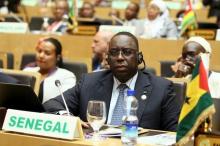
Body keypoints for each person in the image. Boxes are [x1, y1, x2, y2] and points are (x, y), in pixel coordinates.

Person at [43, 32, 180, 131]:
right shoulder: (89, 82)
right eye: (114, 52)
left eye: (127, 52)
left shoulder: (161, 88)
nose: (120, 58)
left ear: (139, 58)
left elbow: (175, 133)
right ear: (107, 59)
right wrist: (67, 116)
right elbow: (52, 104)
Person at [23, 37, 76, 103]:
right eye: (39, 51)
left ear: (58, 57)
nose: (41, 55)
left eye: (47, 53)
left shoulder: (67, 76)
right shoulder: (27, 72)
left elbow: (65, 102)